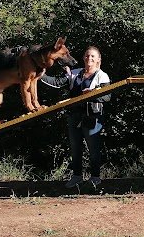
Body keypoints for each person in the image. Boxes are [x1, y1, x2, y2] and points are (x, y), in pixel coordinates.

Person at [40, 46, 111, 188]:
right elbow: (56, 83)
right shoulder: (74, 73)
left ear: (98, 60)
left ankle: (95, 178)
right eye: (87, 55)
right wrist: (38, 75)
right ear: (83, 58)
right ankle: (77, 177)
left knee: (93, 149)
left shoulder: (102, 76)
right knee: (75, 148)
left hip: (93, 117)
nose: (89, 58)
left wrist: (92, 93)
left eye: (92, 56)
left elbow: (107, 96)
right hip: (74, 116)